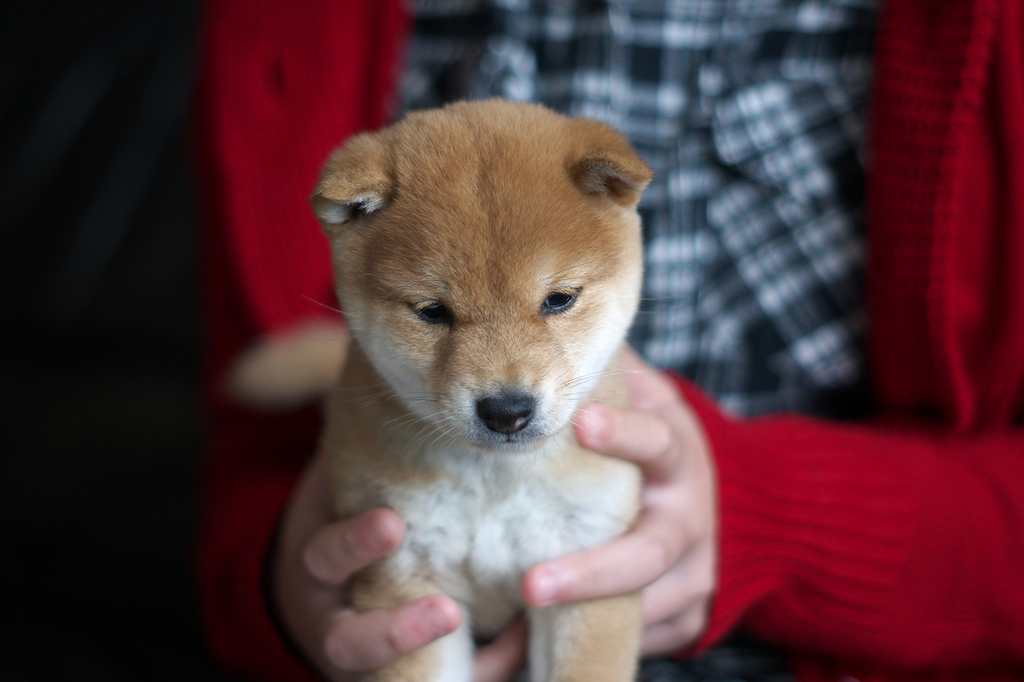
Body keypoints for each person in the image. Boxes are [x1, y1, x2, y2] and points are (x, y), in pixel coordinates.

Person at [194, 1, 1024, 682]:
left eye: (558, 301)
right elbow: (244, 463)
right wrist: (282, 586)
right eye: (435, 315)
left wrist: (775, 519)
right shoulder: (283, 36)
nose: (505, 384)